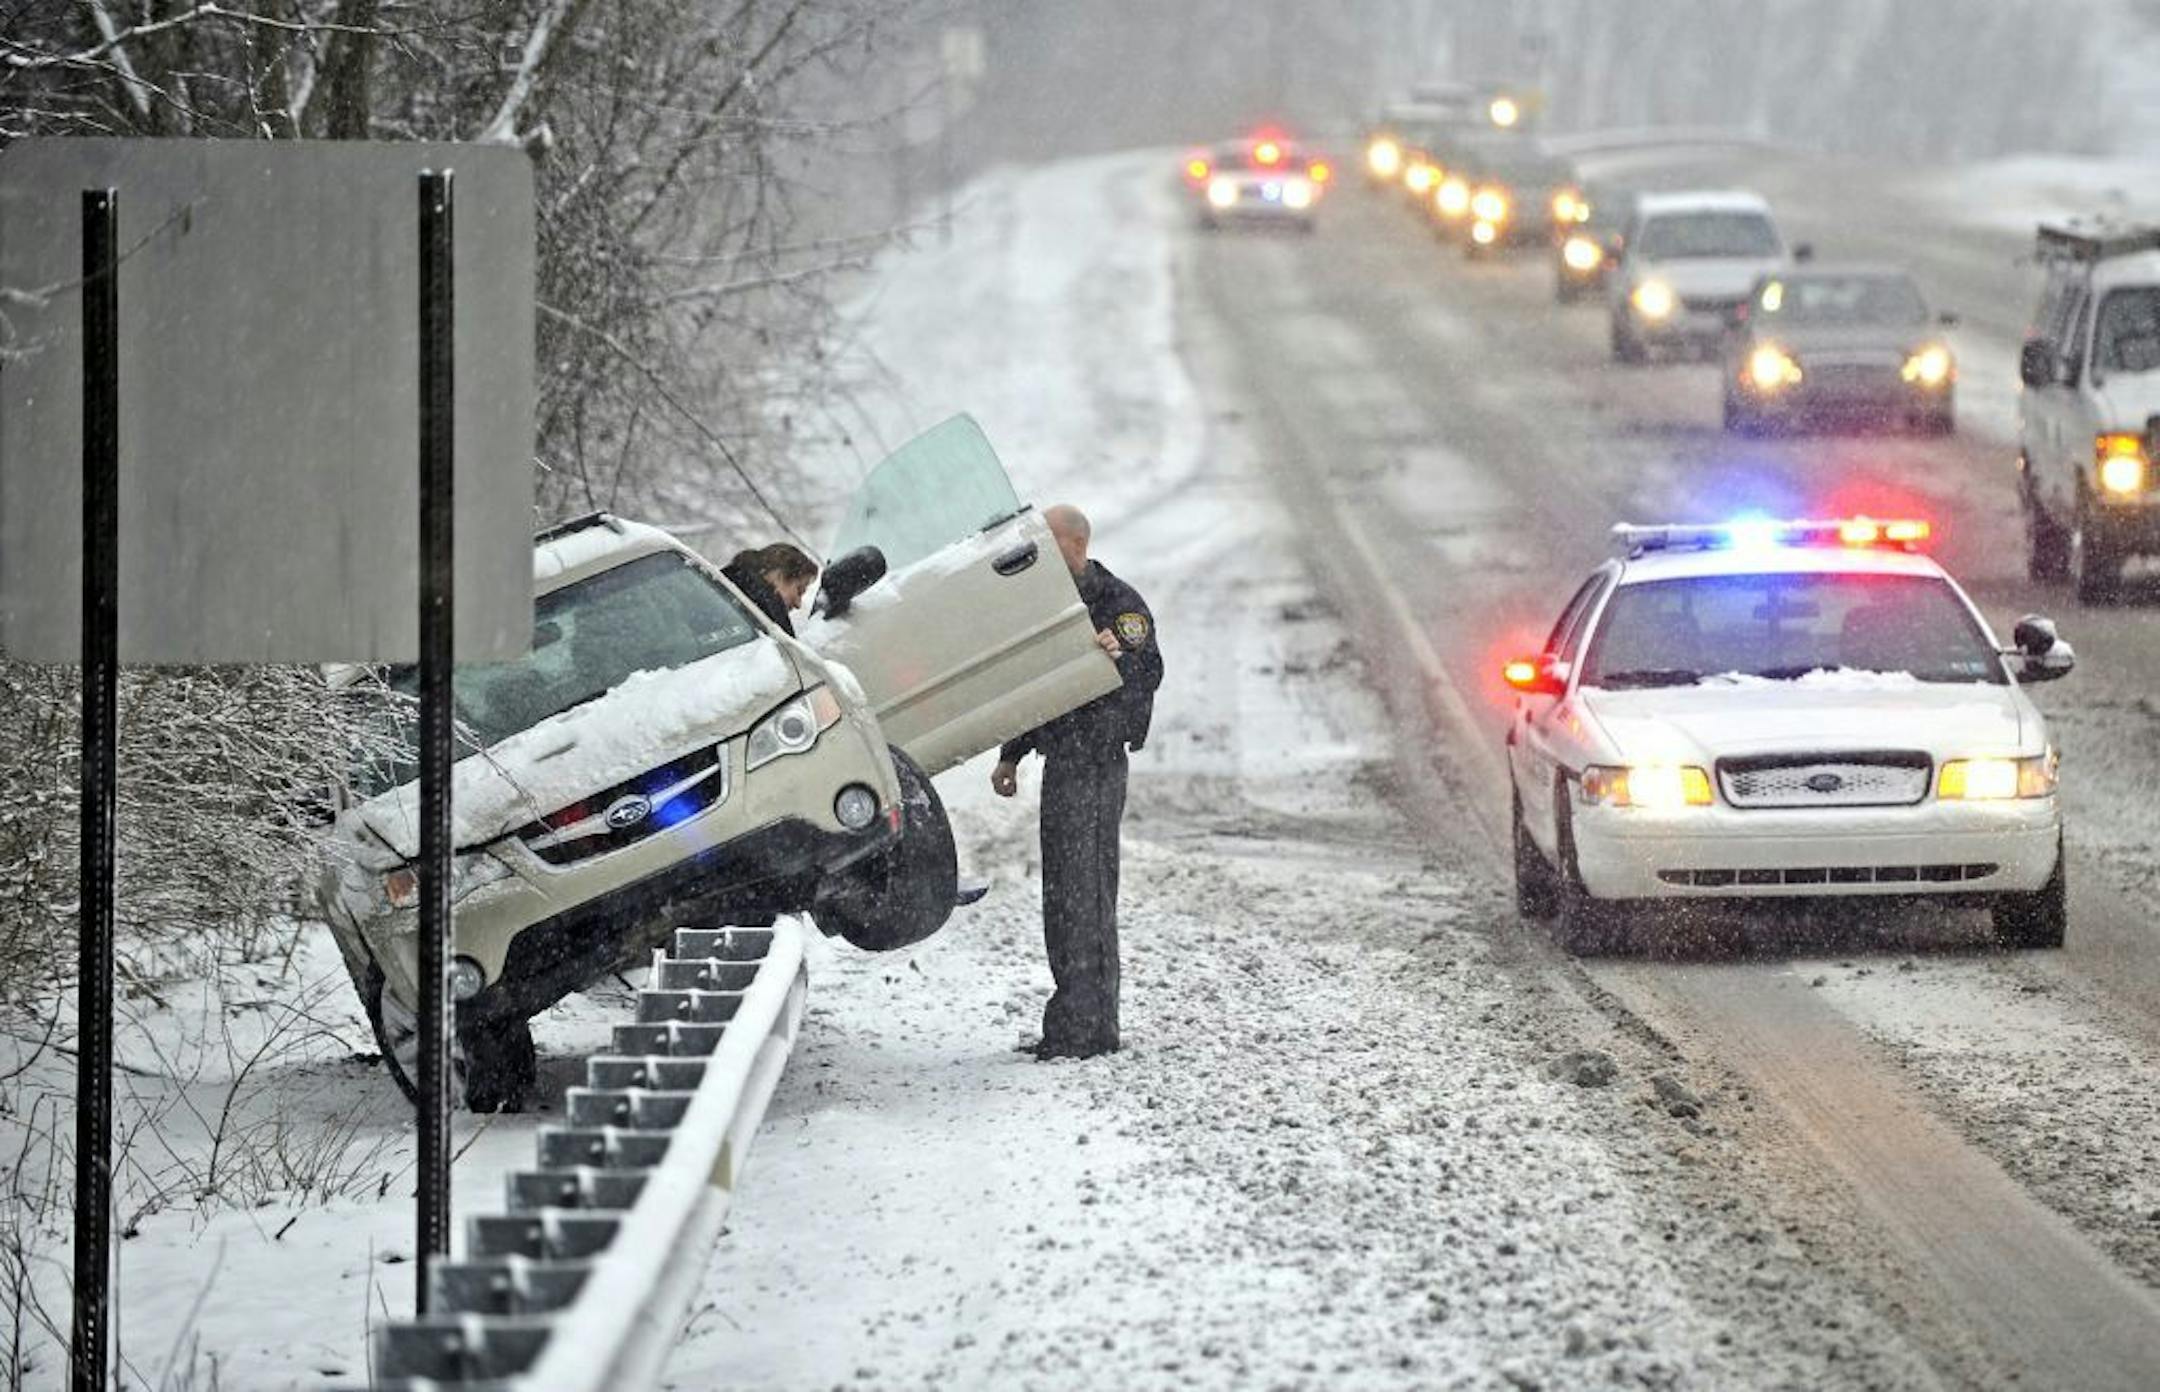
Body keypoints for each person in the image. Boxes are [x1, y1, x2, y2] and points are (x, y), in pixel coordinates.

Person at [992, 504, 1162, 1060]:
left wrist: (1121, 655)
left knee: (1086, 893)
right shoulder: (1046, 604)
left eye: (1049, 539)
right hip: (1063, 763)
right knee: (1063, 893)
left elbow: (1151, 670)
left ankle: (1090, 1029)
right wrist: (1012, 755)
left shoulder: (1118, 603)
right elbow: (1036, 684)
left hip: (1096, 765)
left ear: (1075, 543)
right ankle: (1072, 1021)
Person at [722, 542, 819, 636]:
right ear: (777, 576)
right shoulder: (764, 633)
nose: (798, 604)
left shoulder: (717, 589)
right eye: (799, 590)